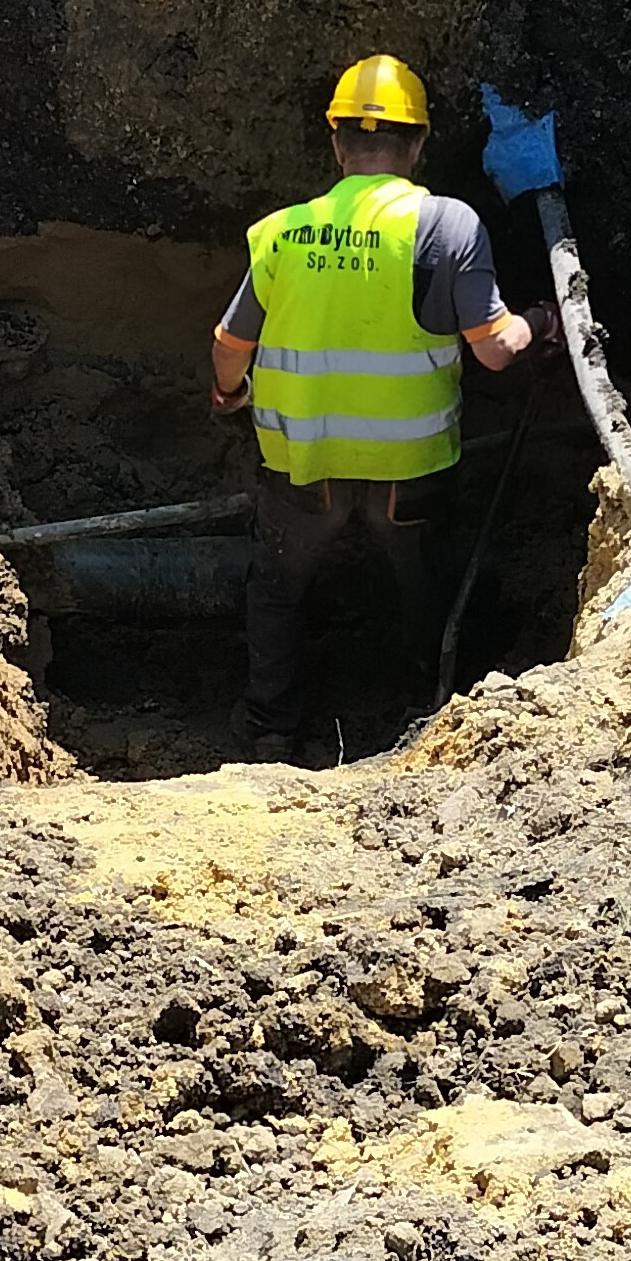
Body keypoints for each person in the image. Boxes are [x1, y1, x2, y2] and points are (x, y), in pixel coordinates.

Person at [209, 54, 560, 761]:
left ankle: (270, 727)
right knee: (425, 588)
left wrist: (230, 395)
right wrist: (539, 322)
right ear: (419, 143)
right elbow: (495, 351)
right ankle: (427, 717)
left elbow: (228, 345)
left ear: (336, 143)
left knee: (276, 590)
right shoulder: (446, 226)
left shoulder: (283, 231)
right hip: (410, 472)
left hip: (303, 468)